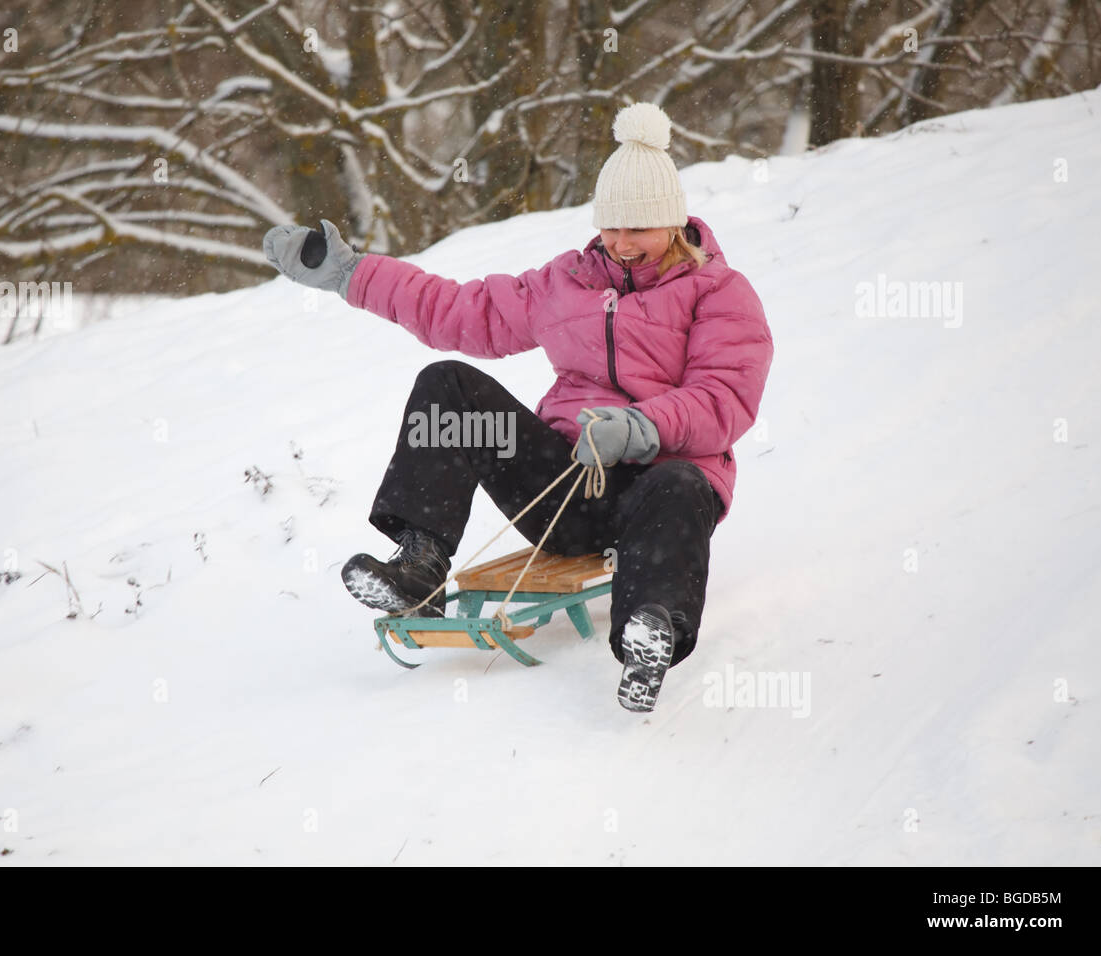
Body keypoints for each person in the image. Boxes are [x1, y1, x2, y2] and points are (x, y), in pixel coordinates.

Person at [263, 102, 773, 712]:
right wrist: (350, 273)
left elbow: (724, 400)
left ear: (672, 222)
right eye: (612, 228)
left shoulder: (719, 293)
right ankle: (420, 563)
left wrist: (638, 429)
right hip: (564, 486)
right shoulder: (571, 282)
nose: (622, 244)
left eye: (638, 230)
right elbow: (461, 311)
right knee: (448, 385)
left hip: (658, 491)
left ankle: (647, 637)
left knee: (683, 482)